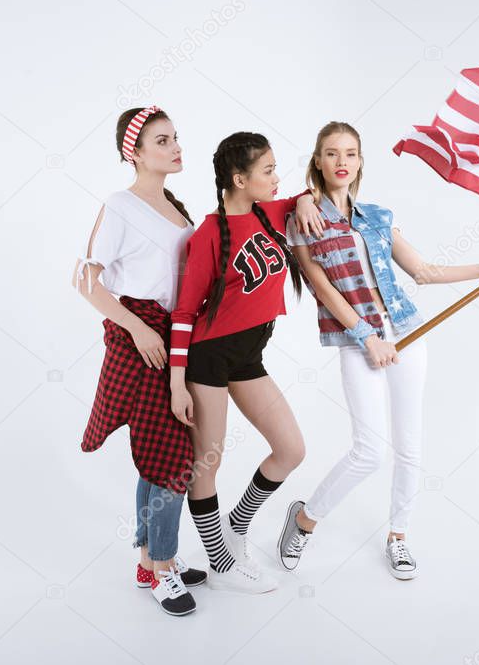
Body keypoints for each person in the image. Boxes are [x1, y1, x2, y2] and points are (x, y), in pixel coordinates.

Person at [277, 121, 479, 579]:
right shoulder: (303, 219)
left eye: (350, 153)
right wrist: (366, 337)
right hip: (360, 341)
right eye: (332, 153)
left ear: (361, 161)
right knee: (369, 451)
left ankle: (399, 536)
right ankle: (305, 519)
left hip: (407, 333)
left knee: (410, 448)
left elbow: (424, 272)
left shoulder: (378, 216)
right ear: (318, 161)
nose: (342, 162)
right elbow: (322, 287)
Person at [169, 132, 323, 593]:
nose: (277, 179)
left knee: (291, 449)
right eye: (268, 171)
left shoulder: (269, 212)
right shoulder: (208, 235)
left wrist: (308, 199)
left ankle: (236, 525)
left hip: (248, 355)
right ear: (240, 178)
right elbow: (183, 314)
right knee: (207, 462)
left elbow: (306, 194)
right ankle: (219, 561)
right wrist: (178, 384)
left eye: (276, 169)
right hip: (209, 359)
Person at [73, 106, 203, 616]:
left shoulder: (175, 205)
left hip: (171, 338)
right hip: (139, 337)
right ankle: (164, 568)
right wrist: (137, 327)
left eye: (176, 137)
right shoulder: (121, 204)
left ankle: (149, 562)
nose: (175, 146)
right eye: (162, 140)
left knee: (158, 449)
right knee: (173, 454)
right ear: (136, 152)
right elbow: (86, 279)